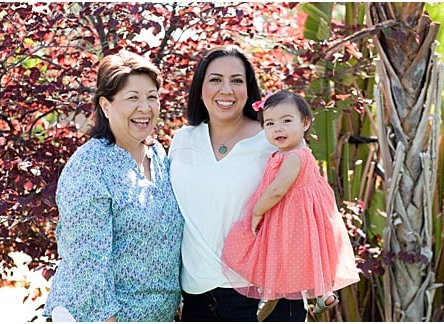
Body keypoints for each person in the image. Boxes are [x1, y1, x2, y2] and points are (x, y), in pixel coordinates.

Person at [43, 50, 184, 322]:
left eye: (152, 97)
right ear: (106, 106)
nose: (145, 108)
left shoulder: (159, 157)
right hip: (98, 317)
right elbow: (86, 262)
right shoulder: (89, 166)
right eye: (132, 98)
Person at [169, 45, 307, 321]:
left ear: (249, 89)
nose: (226, 90)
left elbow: (305, 212)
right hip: (197, 298)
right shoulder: (182, 140)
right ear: (199, 87)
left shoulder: (274, 142)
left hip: (262, 298)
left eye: (237, 80)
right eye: (216, 79)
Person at [220, 90, 360, 319]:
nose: (278, 128)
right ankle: (320, 291)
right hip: (300, 214)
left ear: (305, 123)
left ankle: (286, 295)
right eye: (270, 123)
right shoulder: (287, 153)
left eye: (286, 121)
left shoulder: (294, 156)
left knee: (286, 255)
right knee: (302, 256)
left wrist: (257, 212)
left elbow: (276, 190)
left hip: (294, 216)